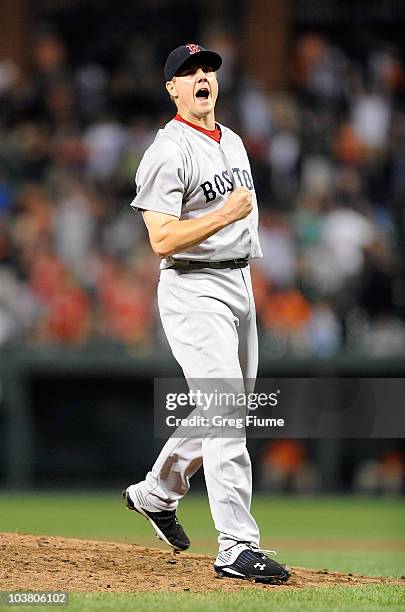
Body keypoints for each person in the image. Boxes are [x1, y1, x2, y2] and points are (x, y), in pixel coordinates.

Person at [123, 43, 290, 584]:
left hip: (238, 281)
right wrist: (223, 213)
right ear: (172, 88)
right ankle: (236, 546)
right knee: (224, 408)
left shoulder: (234, 141)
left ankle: (156, 493)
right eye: (188, 72)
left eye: (207, 70)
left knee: (229, 410)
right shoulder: (167, 151)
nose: (201, 77)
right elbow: (161, 237)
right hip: (193, 287)